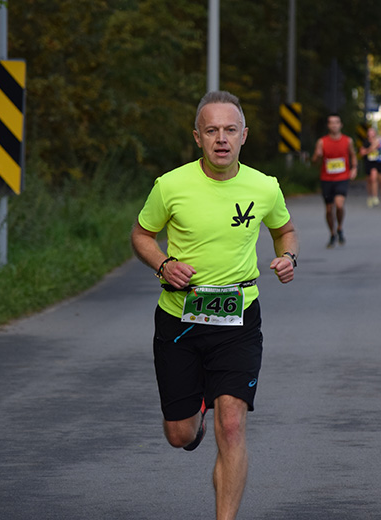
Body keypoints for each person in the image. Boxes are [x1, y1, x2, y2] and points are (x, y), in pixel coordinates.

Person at [130, 90, 299, 520]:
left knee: (232, 424)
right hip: (180, 319)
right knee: (179, 434)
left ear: (244, 135)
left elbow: (285, 231)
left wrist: (288, 257)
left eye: (229, 130)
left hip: (239, 316)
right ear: (197, 137)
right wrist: (164, 264)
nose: (221, 139)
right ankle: (196, 412)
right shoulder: (170, 185)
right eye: (211, 131)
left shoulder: (265, 186)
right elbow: (141, 236)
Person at [312, 113, 357, 247]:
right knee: (328, 208)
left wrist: (354, 168)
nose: (334, 125)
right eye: (331, 123)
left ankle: (340, 227)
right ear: (328, 125)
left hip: (342, 177)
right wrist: (317, 155)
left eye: (336, 122)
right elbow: (315, 162)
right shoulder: (322, 142)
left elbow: (353, 155)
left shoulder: (347, 141)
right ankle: (332, 232)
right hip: (326, 178)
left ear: (340, 125)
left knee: (339, 205)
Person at [359, 126, 380, 207]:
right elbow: (362, 153)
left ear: (375, 133)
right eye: (369, 132)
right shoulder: (365, 142)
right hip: (368, 162)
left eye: (372, 132)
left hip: (376, 163)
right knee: (369, 180)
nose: (371, 134)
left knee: (374, 178)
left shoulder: (379, 141)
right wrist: (371, 149)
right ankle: (370, 196)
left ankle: (375, 196)